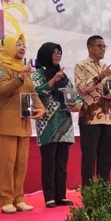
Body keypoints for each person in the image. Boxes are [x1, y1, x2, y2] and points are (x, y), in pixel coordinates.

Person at [0, 33, 45, 214]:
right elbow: (4, 90)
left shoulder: (23, 68)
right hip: (5, 123)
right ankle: (6, 199)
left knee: (21, 164)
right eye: (18, 44)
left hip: (23, 123)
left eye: (24, 45)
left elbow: (32, 92)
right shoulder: (1, 67)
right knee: (6, 164)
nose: (22, 47)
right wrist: (20, 77)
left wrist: (41, 108)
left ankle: (18, 198)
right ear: (9, 47)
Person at [32, 42, 82, 208]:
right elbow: (36, 91)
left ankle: (61, 195)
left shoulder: (64, 76)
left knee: (61, 163)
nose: (57, 55)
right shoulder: (39, 73)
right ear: (46, 54)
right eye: (54, 52)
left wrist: (79, 104)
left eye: (59, 53)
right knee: (49, 162)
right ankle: (49, 197)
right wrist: (53, 80)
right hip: (47, 124)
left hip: (65, 123)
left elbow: (74, 95)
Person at [74, 35, 111, 187]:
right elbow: (82, 89)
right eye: (99, 46)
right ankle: (89, 192)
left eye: (104, 46)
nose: (102, 49)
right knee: (89, 158)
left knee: (106, 157)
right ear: (90, 47)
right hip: (89, 118)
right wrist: (100, 76)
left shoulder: (106, 67)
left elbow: (110, 89)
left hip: (107, 117)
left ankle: (104, 193)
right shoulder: (81, 66)